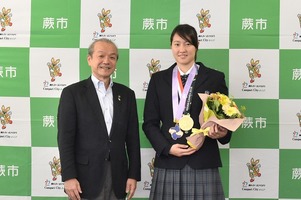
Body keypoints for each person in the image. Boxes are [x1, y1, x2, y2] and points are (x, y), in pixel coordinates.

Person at [142, 24, 231, 200]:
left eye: (187, 44)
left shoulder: (214, 78)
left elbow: (224, 122)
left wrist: (221, 131)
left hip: (203, 160)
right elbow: (149, 123)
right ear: (171, 47)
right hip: (169, 160)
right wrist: (167, 148)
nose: (182, 49)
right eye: (177, 44)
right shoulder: (158, 80)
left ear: (196, 46)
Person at [57, 38, 141, 200]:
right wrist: (69, 177)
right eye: (101, 56)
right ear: (90, 59)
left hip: (119, 177)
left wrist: (133, 175)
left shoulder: (126, 95)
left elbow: (133, 139)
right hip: (84, 178)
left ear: (116, 62)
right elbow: (65, 139)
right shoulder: (72, 93)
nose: (106, 61)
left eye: (112, 57)